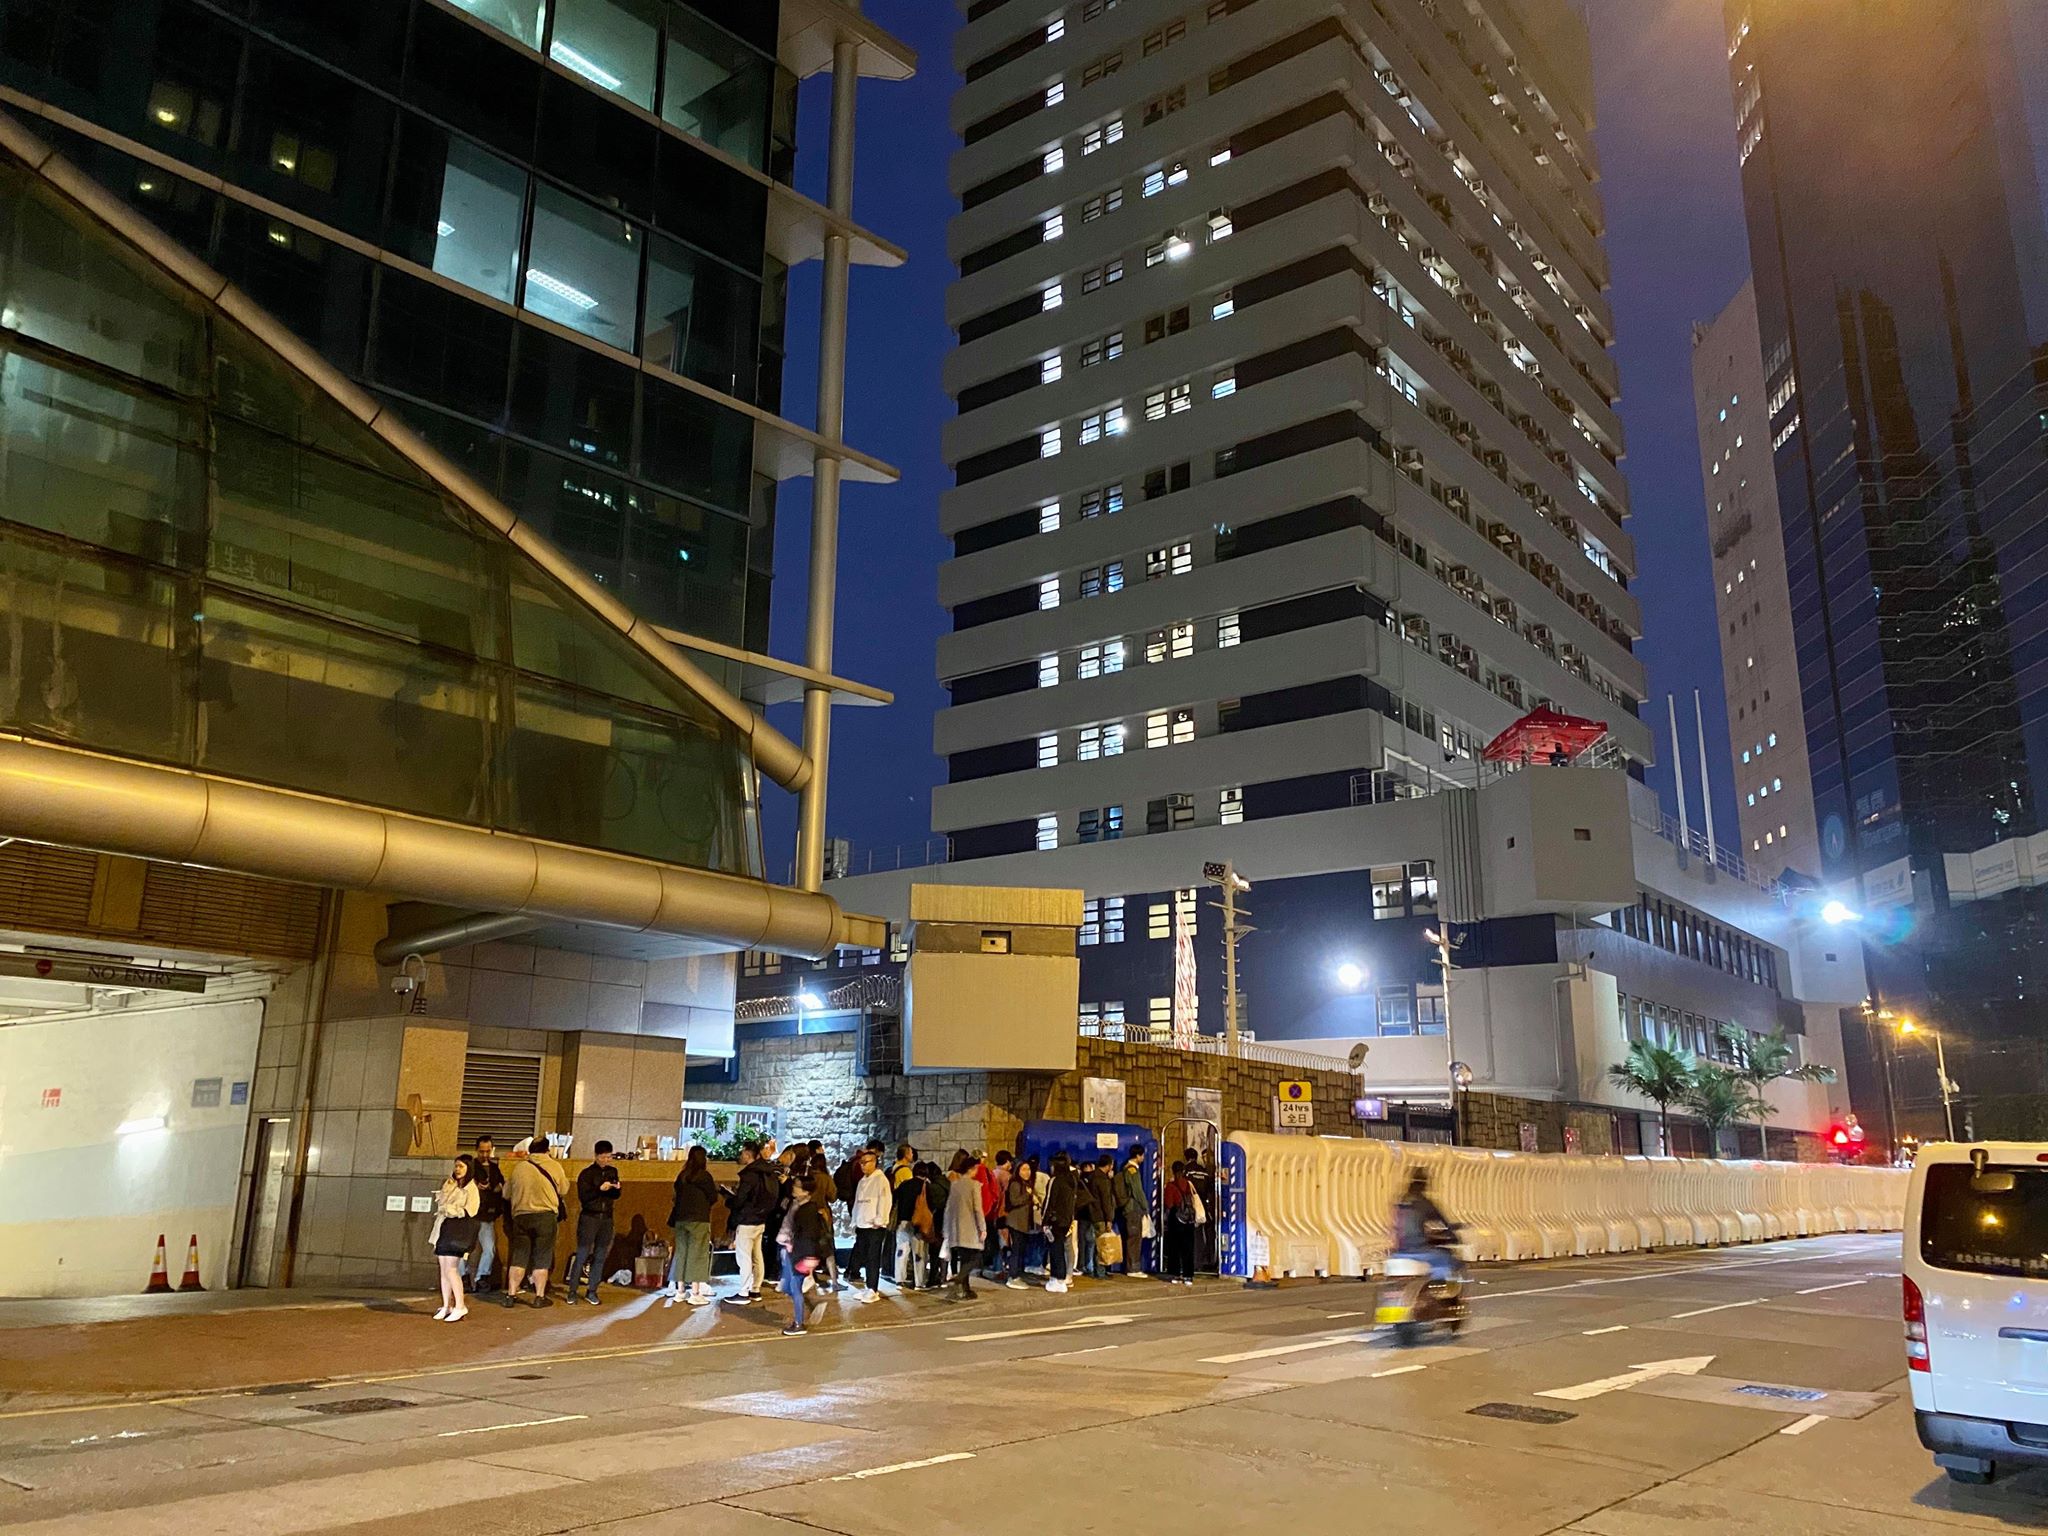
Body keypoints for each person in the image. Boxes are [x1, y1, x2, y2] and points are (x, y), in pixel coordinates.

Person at [501, 1135, 569, 1307]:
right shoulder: (554, 1166)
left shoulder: (519, 1168)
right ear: (547, 1150)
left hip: (521, 1217)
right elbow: (564, 1189)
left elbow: (506, 1194)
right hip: (545, 1216)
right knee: (542, 1257)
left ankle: (511, 1295)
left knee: (519, 1257)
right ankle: (539, 1297)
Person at [564, 1140, 622, 1304]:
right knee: (582, 1253)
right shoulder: (587, 1174)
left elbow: (616, 1196)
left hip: (607, 1218)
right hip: (589, 1217)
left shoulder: (612, 1171)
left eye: (609, 1157)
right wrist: (599, 1189)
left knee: (600, 1255)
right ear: (596, 1156)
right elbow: (584, 1197)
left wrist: (616, 1189)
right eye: (603, 1157)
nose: (606, 1160)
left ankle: (592, 1290)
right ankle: (572, 1290)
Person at [778, 1172, 835, 1337]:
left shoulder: (807, 1211)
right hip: (801, 1254)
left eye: (797, 1186)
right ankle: (810, 1304)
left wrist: (800, 1255)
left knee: (794, 1287)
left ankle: (799, 1323)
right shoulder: (802, 1207)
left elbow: (807, 1236)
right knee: (788, 1286)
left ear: (806, 1192)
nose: (794, 1188)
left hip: (803, 1255)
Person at [727, 1137, 781, 1305]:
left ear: (747, 1153)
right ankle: (755, 1290)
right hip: (761, 1219)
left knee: (744, 1257)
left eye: (742, 1152)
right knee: (757, 1255)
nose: (740, 1155)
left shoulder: (750, 1174)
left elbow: (741, 1199)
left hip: (747, 1219)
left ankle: (743, 1292)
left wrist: (730, 1199)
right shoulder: (768, 1172)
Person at [665, 1144, 720, 1306]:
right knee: (698, 1254)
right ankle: (695, 1293)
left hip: (680, 1219)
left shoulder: (682, 1176)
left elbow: (676, 1196)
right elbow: (713, 1197)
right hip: (699, 1220)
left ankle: (680, 1291)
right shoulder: (705, 1177)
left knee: (681, 1253)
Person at [430, 1154, 481, 1322]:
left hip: (458, 1230)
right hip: (444, 1228)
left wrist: (451, 1209)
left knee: (451, 1269)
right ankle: (446, 1305)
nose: (457, 1169)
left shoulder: (471, 1188)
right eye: (456, 1166)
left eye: (461, 1166)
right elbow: (441, 1203)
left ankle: (460, 1305)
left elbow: (471, 1210)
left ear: (468, 1168)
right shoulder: (450, 1183)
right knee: (443, 1268)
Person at [1393, 1167, 1461, 1280]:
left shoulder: (1401, 1202)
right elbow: (1441, 1220)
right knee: (1444, 1260)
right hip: (1419, 1250)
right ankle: (1440, 1286)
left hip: (1399, 1252)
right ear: (1424, 1185)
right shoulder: (1423, 1203)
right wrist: (1452, 1235)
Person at [463, 1135, 505, 1293]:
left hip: (487, 1214)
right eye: (482, 1151)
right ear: (476, 1150)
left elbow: (501, 1185)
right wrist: (474, 1186)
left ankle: (481, 1277)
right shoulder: (469, 1166)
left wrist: (495, 1187)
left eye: (488, 1151)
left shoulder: (494, 1168)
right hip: (470, 1213)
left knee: (489, 1248)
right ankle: (464, 1277)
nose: (485, 1155)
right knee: (464, 1248)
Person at [850, 1148, 892, 1301]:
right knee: (865, 1256)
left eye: (865, 1162)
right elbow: (858, 1202)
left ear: (874, 1162)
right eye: (861, 1163)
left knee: (873, 1257)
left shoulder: (881, 1180)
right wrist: (855, 1219)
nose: (862, 1165)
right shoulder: (862, 1181)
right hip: (862, 1224)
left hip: (874, 1226)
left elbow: (885, 1201)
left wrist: (880, 1220)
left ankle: (873, 1289)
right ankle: (868, 1286)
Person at [942, 1150, 985, 1299]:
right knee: (975, 1257)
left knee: (965, 1257)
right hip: (971, 1227)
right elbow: (977, 1209)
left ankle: (966, 1289)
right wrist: (982, 1228)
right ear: (972, 1169)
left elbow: (949, 1208)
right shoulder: (974, 1185)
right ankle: (960, 1278)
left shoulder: (955, 1185)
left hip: (957, 1227)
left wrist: (946, 1229)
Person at [892, 1157, 932, 1290]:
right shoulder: (926, 1186)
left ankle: (899, 1280)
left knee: (901, 1251)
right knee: (919, 1254)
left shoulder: (904, 1185)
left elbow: (894, 1198)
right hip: (918, 1224)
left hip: (903, 1222)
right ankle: (919, 1282)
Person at [1042, 1153, 1078, 1294]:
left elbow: (1049, 1202)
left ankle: (1057, 1279)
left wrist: (1044, 1220)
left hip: (1054, 1221)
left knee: (1055, 1250)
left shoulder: (1055, 1180)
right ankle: (1059, 1279)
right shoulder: (1071, 1180)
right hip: (1066, 1220)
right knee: (1061, 1248)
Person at [1003, 1157, 1040, 1288]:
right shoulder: (1015, 1184)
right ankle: (1012, 1276)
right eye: (1023, 1169)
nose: (1027, 1172)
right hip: (1016, 1222)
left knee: (1021, 1249)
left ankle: (1018, 1273)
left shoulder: (1027, 1184)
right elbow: (1014, 1201)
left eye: (1028, 1169)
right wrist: (1028, 1195)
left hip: (1024, 1223)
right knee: (1016, 1249)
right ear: (1017, 1171)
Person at [1162, 1160, 1198, 1285]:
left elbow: (1169, 1204)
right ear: (1183, 1171)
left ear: (1173, 1171)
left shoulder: (1170, 1186)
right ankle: (1188, 1276)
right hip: (1189, 1220)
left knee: (1175, 1248)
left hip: (1176, 1219)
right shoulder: (1188, 1184)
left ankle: (1175, 1274)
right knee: (1188, 1248)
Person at [1117, 1147, 1150, 1278]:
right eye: (1142, 1155)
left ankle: (1132, 1267)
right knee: (1135, 1239)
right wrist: (1145, 1206)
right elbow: (1137, 1191)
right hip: (1133, 1208)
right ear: (1137, 1156)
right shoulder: (1132, 1170)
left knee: (1133, 1238)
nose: (1143, 1158)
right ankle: (1133, 1269)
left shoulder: (1126, 1168)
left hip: (1129, 1209)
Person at [1184, 1145, 1217, 1274]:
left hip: (1190, 1207)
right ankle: (1204, 1260)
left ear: (1186, 1157)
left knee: (1191, 1235)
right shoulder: (1204, 1172)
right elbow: (1210, 1189)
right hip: (1203, 1207)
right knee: (1203, 1234)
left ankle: (1193, 1262)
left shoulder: (1186, 1171)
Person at [1086, 1155, 1120, 1275]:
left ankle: (1093, 1268)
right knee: (1102, 1244)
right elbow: (1106, 1200)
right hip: (1101, 1216)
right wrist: (1109, 1219)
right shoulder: (1103, 1180)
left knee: (1094, 1244)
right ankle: (1100, 1271)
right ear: (1109, 1165)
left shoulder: (1092, 1177)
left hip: (1092, 1214)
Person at [984, 1150, 1013, 1276]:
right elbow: (1008, 1195)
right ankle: (1000, 1267)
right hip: (1002, 1212)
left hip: (990, 1212)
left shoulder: (991, 1173)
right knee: (1004, 1242)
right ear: (1007, 1161)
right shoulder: (1006, 1176)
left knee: (994, 1240)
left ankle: (994, 1266)